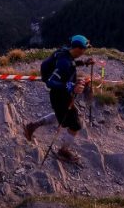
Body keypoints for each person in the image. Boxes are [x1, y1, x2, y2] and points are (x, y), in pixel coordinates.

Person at [23, 34, 95, 163]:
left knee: (61, 115)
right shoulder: (63, 63)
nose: (85, 51)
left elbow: (71, 64)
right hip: (60, 95)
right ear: (78, 48)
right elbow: (50, 82)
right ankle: (63, 151)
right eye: (84, 49)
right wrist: (72, 87)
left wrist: (84, 62)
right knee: (75, 125)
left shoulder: (65, 52)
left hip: (60, 95)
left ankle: (32, 126)